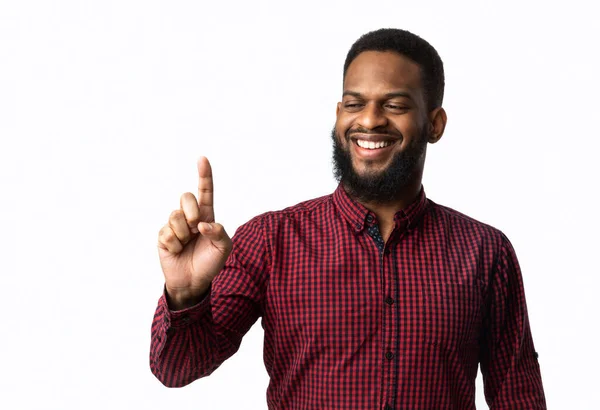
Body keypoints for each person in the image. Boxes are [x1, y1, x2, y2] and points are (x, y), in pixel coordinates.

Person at [150, 28, 546, 409]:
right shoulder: (271, 240)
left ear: (435, 124)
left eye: (395, 105)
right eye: (355, 104)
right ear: (339, 115)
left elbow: (519, 398)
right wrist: (185, 294)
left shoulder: (485, 252)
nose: (370, 120)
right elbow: (176, 368)